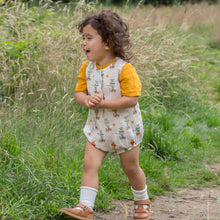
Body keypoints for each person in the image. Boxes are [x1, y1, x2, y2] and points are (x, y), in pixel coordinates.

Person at [59, 10, 151, 220]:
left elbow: (132, 98)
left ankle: (142, 201)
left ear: (108, 42)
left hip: (125, 130)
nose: (84, 43)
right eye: (83, 38)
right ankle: (85, 207)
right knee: (89, 164)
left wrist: (104, 103)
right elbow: (79, 92)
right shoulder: (87, 68)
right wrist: (86, 100)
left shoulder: (124, 69)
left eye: (89, 38)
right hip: (98, 129)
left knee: (131, 168)